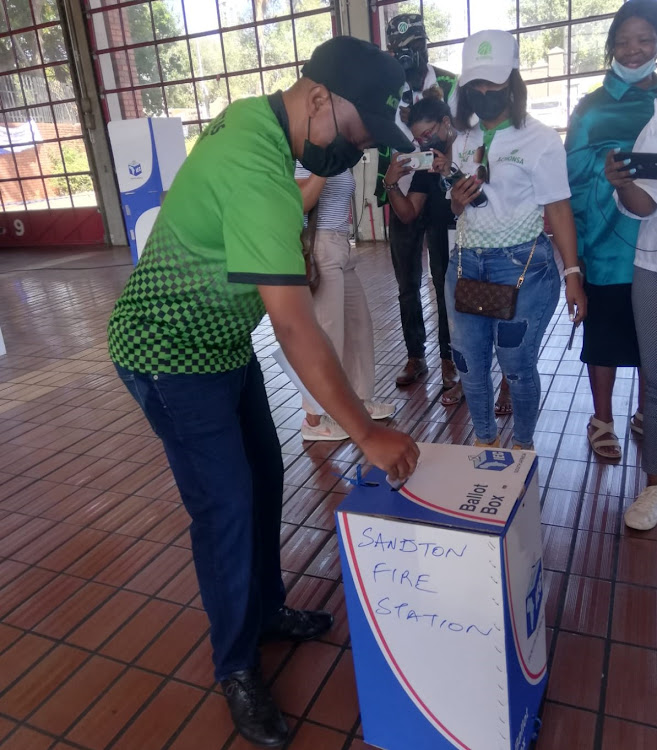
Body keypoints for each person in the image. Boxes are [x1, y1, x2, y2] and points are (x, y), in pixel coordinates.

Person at [107, 36, 419, 748]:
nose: (353, 153)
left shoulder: (261, 120)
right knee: (226, 506)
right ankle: (237, 666)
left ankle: (266, 608)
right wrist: (365, 433)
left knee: (264, 478)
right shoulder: (255, 165)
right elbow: (292, 324)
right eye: (352, 134)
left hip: (217, 346)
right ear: (315, 98)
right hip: (167, 352)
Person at [440, 29, 587, 450]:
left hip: (522, 265)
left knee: (518, 365)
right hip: (467, 263)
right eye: (476, 85)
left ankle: (522, 447)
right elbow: (456, 208)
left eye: (494, 84)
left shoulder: (539, 138)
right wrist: (455, 200)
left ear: (513, 84)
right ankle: (485, 443)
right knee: (470, 364)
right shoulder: (463, 138)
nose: (484, 92)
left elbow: (558, 208)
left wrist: (572, 273)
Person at [565, 0, 657, 461]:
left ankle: (646, 412)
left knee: (650, 337)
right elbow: (570, 175)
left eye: (644, 40)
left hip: (654, 246)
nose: (633, 50)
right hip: (606, 243)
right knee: (602, 336)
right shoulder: (592, 106)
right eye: (623, 41)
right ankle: (602, 418)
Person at [376, 12, 460, 390]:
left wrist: (436, 114)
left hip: (439, 190)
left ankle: (448, 357)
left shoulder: (448, 82)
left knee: (443, 279)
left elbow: (463, 131)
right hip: (401, 189)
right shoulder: (385, 89)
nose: (408, 56)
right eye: (400, 51)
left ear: (426, 46)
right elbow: (374, 133)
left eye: (415, 47)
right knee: (406, 282)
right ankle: (416, 356)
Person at [294, 164, 396, 440]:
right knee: (327, 334)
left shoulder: (337, 154)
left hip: (341, 244)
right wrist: (323, 166)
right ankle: (313, 419)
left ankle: (359, 400)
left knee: (358, 326)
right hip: (320, 244)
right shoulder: (305, 157)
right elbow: (299, 202)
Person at [606, 101, 657, 528]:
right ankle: (655, 484)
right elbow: (644, 204)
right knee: (656, 381)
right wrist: (622, 184)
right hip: (653, 268)